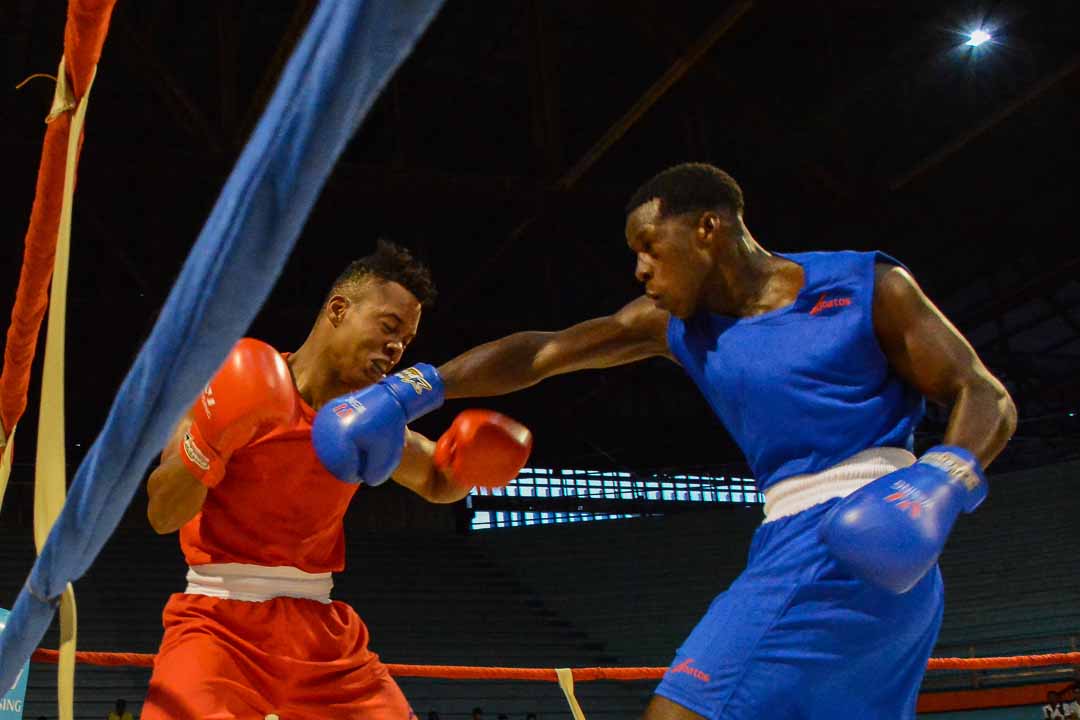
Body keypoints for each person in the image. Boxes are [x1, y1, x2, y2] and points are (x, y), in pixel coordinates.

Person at [436, 163, 1017, 719]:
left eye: (649, 246)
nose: (640, 270)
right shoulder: (674, 325)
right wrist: (416, 388)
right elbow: (543, 352)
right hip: (816, 546)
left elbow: (983, 393)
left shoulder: (866, 284)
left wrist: (938, 484)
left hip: (844, 537)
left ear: (707, 228)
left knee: (679, 714)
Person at [140, 240, 532, 720]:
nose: (396, 348)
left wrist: (469, 465)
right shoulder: (231, 383)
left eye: (406, 341)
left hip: (321, 633)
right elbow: (162, 514)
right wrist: (211, 437)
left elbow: (436, 480)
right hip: (216, 623)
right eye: (388, 327)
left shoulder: (366, 421)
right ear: (339, 309)